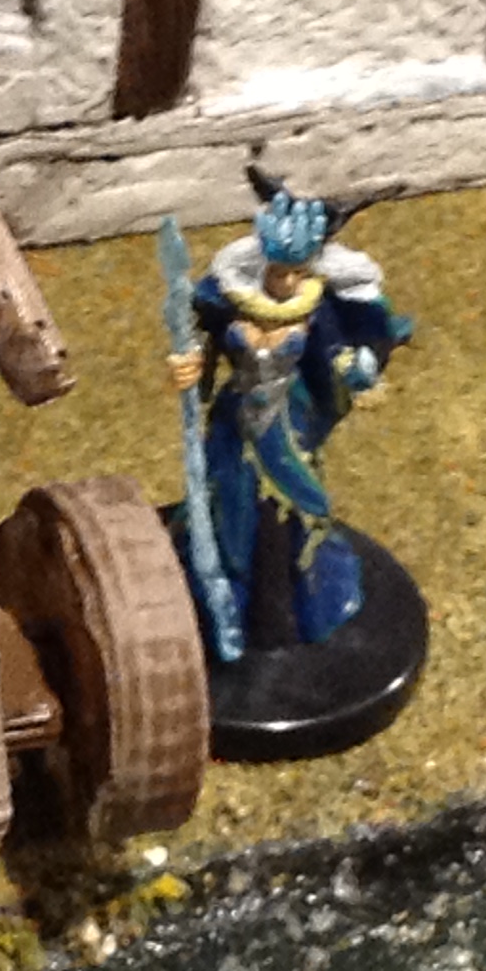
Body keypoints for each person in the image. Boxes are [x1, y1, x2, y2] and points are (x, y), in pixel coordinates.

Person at [165, 182, 413, 655]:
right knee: (227, 500)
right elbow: (201, 345)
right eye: (279, 269)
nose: (287, 281)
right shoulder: (235, 300)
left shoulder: (313, 309)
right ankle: (219, 590)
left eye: (297, 271)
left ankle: (292, 599)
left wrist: (357, 370)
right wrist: (187, 366)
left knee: (296, 505)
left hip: (288, 419)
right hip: (236, 417)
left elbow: (334, 355)